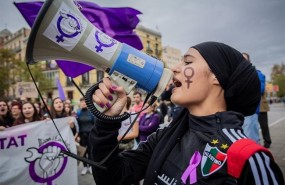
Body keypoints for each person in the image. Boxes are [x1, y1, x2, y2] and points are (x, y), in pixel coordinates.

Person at [89, 42, 284, 184]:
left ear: (217, 75)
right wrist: (107, 121)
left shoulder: (248, 159)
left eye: (188, 62)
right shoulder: (166, 136)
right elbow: (111, 177)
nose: (174, 68)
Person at [241, 52, 262, 143]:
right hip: (238, 113)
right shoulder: (238, 75)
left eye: (244, 60)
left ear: (249, 62)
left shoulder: (256, 73)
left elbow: (260, 89)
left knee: (251, 139)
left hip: (250, 112)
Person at [76, 97, 95, 175]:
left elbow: (94, 124)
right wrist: (77, 135)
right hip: (82, 135)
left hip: (91, 135)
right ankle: (85, 167)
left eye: (85, 102)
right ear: (80, 104)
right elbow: (77, 125)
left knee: (90, 151)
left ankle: (90, 166)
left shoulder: (91, 112)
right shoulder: (78, 113)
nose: (83, 103)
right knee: (83, 152)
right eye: (82, 102)